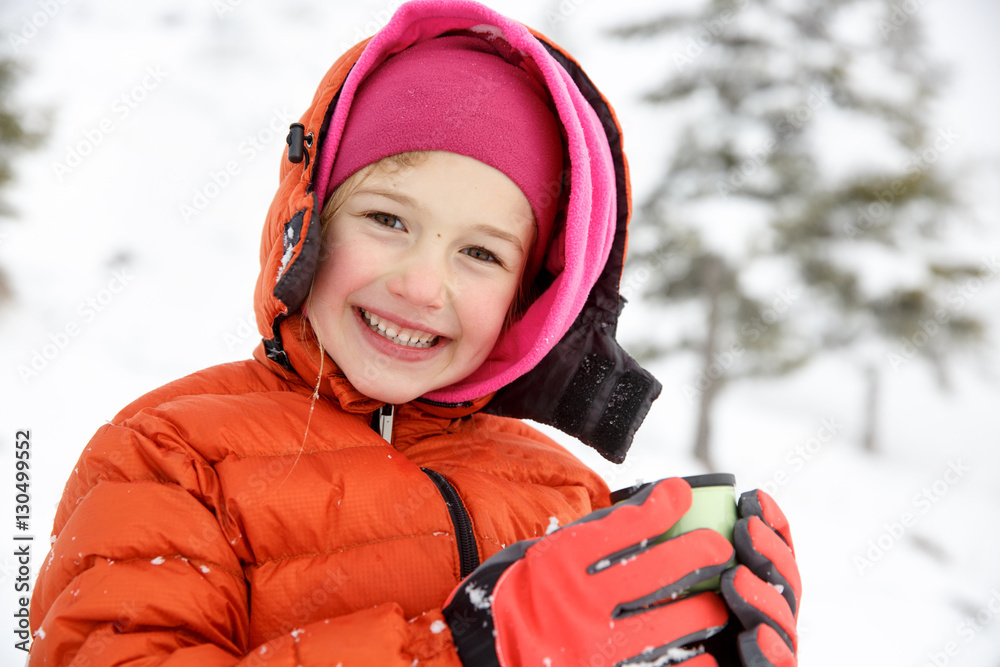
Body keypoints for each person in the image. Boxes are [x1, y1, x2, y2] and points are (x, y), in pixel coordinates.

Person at [29, 1, 801, 665]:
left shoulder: (565, 494)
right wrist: (466, 647)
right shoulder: (168, 457)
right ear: (311, 220)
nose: (423, 285)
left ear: (530, 296)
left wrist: (698, 638)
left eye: (480, 253)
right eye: (388, 219)